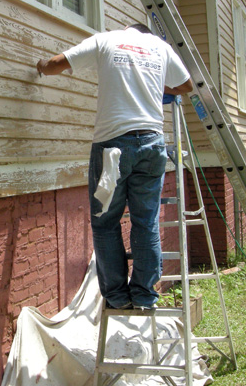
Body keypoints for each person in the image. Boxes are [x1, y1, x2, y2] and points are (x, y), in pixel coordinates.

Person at [36, 23, 194, 310]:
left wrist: (40, 66)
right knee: (145, 223)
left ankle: (118, 297)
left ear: (125, 29)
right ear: (145, 34)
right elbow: (186, 86)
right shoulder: (160, 47)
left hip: (112, 147)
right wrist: (154, 83)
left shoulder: (106, 40)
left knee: (106, 223)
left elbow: (57, 64)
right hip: (152, 143)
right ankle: (144, 296)